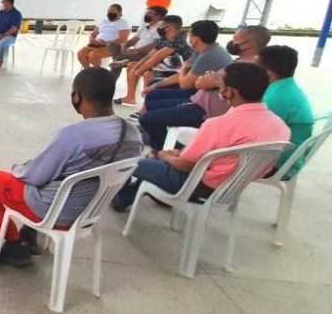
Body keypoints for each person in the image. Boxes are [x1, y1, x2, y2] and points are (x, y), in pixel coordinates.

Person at [0, 68, 142, 266]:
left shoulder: (73, 135)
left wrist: (19, 167)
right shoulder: (133, 133)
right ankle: (29, 232)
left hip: (52, 212)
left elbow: (34, 177)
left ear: (76, 96)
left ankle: (13, 246)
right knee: (58, 175)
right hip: (88, 212)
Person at [113, 63, 290, 212]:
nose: (220, 92)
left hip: (196, 187)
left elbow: (185, 165)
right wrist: (179, 155)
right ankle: (136, 193)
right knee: (165, 159)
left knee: (129, 160)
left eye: (220, 87)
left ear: (232, 91)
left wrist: (164, 155)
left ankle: (121, 197)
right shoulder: (280, 126)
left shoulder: (219, 124)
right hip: (232, 188)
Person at [139, 25, 269, 151]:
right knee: (154, 102)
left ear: (248, 45)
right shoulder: (247, 62)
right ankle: (159, 142)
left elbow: (200, 83)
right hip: (199, 101)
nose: (232, 43)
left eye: (235, 40)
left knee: (148, 118)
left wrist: (206, 78)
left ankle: (171, 150)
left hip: (205, 111)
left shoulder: (243, 67)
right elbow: (202, 80)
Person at [136, 21, 235, 150]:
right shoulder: (202, 49)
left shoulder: (209, 55)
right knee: (154, 86)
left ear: (195, 38)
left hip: (202, 103)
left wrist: (183, 69)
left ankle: (167, 146)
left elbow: (184, 83)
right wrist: (156, 85)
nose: (188, 36)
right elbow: (187, 74)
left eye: (190, 33)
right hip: (199, 92)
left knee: (152, 106)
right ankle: (151, 132)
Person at [258, 45, 314, 178]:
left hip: (279, 165)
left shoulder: (276, 98)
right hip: (286, 157)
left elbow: (252, 134)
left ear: (268, 72)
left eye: (255, 66)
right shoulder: (285, 86)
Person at [115, 15, 192, 106]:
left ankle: (146, 106)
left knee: (149, 73)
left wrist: (139, 71)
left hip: (178, 70)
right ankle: (130, 98)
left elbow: (156, 58)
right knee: (131, 65)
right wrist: (136, 67)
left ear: (169, 27)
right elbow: (149, 56)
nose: (159, 28)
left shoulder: (179, 40)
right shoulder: (164, 38)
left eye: (161, 25)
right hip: (165, 66)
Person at [107, 6, 167, 79]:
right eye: (147, 12)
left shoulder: (160, 27)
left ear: (158, 16)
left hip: (145, 54)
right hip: (134, 51)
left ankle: (119, 64)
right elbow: (134, 40)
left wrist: (136, 51)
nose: (147, 14)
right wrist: (124, 46)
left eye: (150, 13)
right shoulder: (144, 26)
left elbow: (155, 44)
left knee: (117, 61)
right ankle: (121, 60)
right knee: (112, 45)